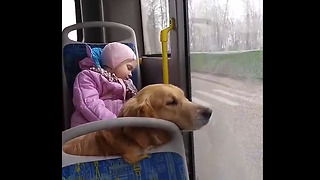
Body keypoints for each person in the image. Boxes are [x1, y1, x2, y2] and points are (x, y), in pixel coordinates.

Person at [70, 42, 138, 128]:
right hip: (88, 128)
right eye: (129, 68)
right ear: (115, 62)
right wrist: (114, 123)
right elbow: (89, 104)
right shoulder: (88, 76)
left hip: (117, 127)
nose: (131, 74)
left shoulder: (128, 85)